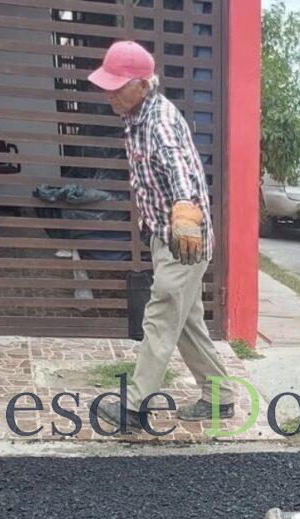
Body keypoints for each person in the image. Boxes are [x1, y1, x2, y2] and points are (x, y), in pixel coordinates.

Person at [88, 40, 233, 432]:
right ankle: (221, 398)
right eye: (109, 85)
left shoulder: (160, 121)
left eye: (117, 86)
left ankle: (134, 407)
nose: (110, 94)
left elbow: (179, 170)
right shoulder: (135, 116)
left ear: (142, 84)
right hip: (165, 237)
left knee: (161, 315)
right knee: (186, 325)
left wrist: (185, 209)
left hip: (184, 241)